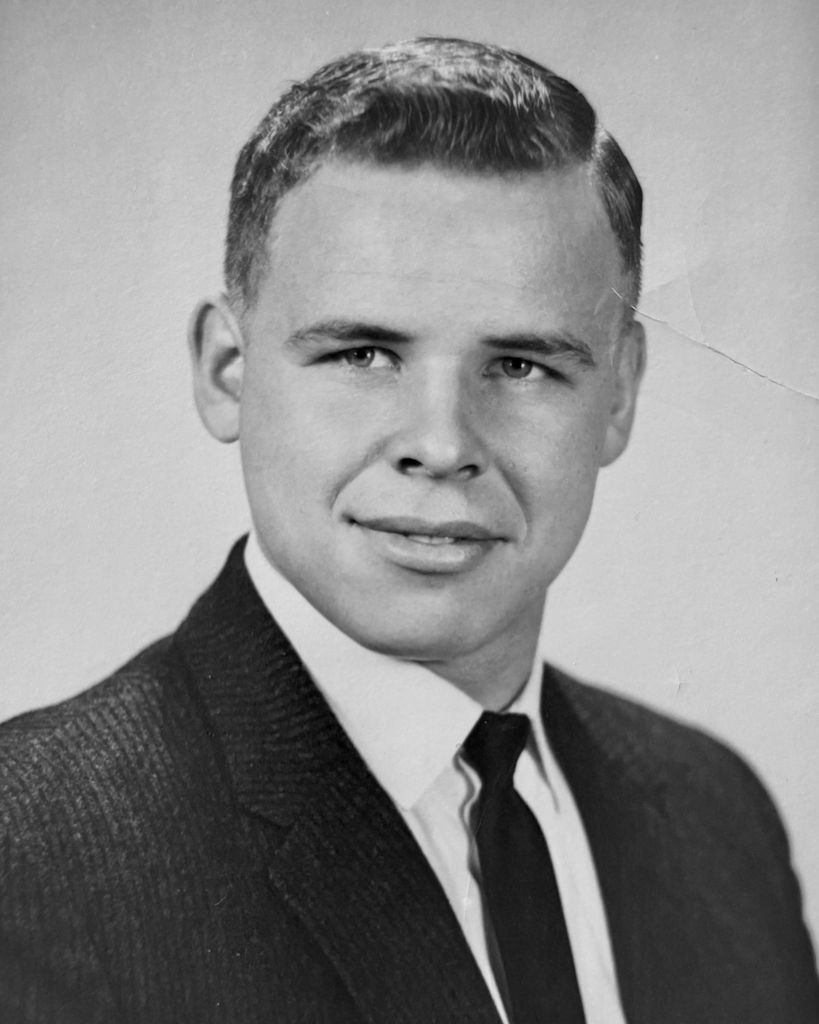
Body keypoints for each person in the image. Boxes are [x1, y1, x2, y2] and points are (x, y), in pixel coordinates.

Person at [1, 36, 816, 1024]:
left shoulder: (717, 816)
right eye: (363, 353)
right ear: (226, 372)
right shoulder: (30, 850)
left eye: (520, 366)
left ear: (619, 393)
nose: (441, 445)